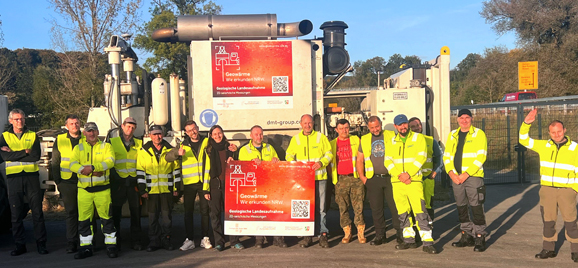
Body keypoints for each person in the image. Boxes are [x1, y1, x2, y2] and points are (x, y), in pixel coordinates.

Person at [520, 108, 578, 262]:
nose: (556, 135)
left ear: (565, 130)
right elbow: (523, 140)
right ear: (549, 133)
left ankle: (576, 250)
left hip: (567, 191)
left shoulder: (575, 148)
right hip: (547, 191)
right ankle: (548, 249)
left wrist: (574, 190)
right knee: (548, 221)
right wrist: (526, 124)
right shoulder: (543, 145)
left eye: (559, 131)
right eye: (553, 132)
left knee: (571, 222)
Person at [384, 114, 436, 254]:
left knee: (420, 212)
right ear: (395, 126)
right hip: (398, 182)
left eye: (405, 123)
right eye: (400, 124)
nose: (403, 126)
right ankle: (409, 240)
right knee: (403, 213)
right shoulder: (391, 141)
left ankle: (427, 242)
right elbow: (387, 161)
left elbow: (422, 156)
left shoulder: (418, 138)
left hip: (414, 181)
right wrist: (399, 175)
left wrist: (408, 174)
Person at [0, 109, 48, 256]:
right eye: (16, 119)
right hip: (13, 179)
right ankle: (20, 245)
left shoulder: (32, 135)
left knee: (37, 213)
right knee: (15, 214)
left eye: (21, 118)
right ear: (10, 121)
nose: (19, 121)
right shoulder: (4, 137)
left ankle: (41, 244)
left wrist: (14, 154)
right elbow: (4, 156)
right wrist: (24, 152)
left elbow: (35, 156)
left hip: (31, 177)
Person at [69, 122, 117, 259]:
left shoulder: (106, 146)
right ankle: (86, 248)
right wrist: (88, 172)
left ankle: (111, 246)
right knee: (84, 221)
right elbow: (72, 164)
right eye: (89, 131)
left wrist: (93, 167)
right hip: (84, 190)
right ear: (84, 133)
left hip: (103, 190)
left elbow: (110, 161)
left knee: (107, 219)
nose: (92, 133)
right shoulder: (78, 148)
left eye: (94, 131)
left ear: (97, 132)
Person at [286, 114, 333, 248]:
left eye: (310, 123)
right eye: (305, 123)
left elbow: (329, 153)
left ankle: (322, 235)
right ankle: (307, 235)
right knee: (305, 208)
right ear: (300, 124)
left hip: (320, 178)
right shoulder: (295, 139)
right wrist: (295, 164)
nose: (307, 125)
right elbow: (289, 154)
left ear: (313, 124)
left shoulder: (321, 137)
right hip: (304, 181)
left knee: (321, 209)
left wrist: (322, 162)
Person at [444, 109, 488, 252]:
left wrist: (466, 174)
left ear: (471, 118)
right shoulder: (452, 135)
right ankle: (466, 235)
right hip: (456, 178)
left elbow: (481, 157)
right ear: (457, 120)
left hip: (473, 177)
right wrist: (451, 173)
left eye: (467, 117)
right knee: (461, 207)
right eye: (461, 118)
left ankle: (480, 235)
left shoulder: (478, 134)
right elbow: (447, 157)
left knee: (476, 207)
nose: (464, 120)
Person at [165, 120, 212, 251]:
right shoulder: (183, 145)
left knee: (205, 211)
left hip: (204, 182)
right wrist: (176, 154)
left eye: (194, 129)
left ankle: (205, 238)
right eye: (190, 130)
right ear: (186, 132)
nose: (193, 132)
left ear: (197, 128)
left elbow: (219, 146)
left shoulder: (206, 141)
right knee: (188, 213)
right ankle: (189, 239)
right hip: (189, 183)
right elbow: (168, 157)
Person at [238, 125, 286, 248]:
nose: (259, 137)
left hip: (270, 185)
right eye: (256, 134)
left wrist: (276, 160)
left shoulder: (270, 147)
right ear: (251, 136)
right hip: (254, 186)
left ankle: (277, 239)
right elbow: (241, 167)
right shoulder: (244, 150)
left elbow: (278, 163)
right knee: (258, 212)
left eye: (260, 134)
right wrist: (251, 162)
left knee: (275, 211)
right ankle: (259, 239)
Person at [356, 116, 401, 246]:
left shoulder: (391, 134)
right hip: (373, 179)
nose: (375, 130)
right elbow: (359, 160)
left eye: (377, 126)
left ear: (380, 124)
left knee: (395, 208)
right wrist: (362, 177)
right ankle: (380, 235)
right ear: (368, 128)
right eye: (372, 128)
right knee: (376, 209)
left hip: (391, 178)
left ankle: (400, 234)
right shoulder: (364, 139)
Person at [137, 125, 180, 252]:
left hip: (166, 190)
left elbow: (176, 170)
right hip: (151, 192)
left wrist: (176, 187)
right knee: (152, 219)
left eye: (159, 134)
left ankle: (166, 240)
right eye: (154, 134)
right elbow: (140, 172)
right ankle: (154, 241)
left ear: (163, 135)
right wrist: (142, 190)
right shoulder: (143, 151)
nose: (157, 136)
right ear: (150, 135)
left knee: (167, 218)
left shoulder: (170, 150)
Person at [203, 125, 243, 251]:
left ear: (223, 133)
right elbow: (205, 171)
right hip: (214, 186)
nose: (217, 136)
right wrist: (206, 189)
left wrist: (235, 153)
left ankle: (234, 241)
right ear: (211, 136)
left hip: (229, 185)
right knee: (215, 215)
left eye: (219, 133)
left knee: (230, 214)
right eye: (214, 134)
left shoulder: (230, 147)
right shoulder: (208, 150)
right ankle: (219, 242)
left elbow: (239, 164)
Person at [51, 114, 85, 254]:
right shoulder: (60, 140)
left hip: (84, 181)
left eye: (77, 123)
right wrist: (58, 181)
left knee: (86, 213)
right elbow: (55, 162)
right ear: (66, 126)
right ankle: (72, 242)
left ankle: (87, 241)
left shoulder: (86, 139)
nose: (74, 126)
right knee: (71, 212)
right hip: (67, 182)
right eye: (71, 123)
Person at [109, 117, 143, 251]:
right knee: (116, 213)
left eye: (133, 127)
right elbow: (109, 161)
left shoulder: (139, 143)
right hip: (119, 183)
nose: (130, 129)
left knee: (136, 213)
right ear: (122, 127)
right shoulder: (112, 142)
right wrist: (116, 177)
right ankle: (115, 240)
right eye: (128, 126)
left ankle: (136, 240)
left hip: (133, 183)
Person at [329, 119, 366, 244]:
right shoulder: (332, 144)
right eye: (341, 128)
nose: (344, 131)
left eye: (346, 128)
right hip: (340, 179)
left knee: (359, 207)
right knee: (342, 207)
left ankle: (361, 233)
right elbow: (329, 163)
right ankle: (347, 232)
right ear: (336, 130)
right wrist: (334, 178)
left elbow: (363, 157)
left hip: (355, 178)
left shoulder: (356, 140)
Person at [408, 117, 443, 220]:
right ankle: (415, 232)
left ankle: (428, 231)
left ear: (421, 126)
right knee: (413, 207)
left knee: (427, 207)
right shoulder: (407, 142)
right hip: (412, 180)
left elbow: (439, 157)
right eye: (412, 127)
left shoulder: (431, 141)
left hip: (427, 180)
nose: (416, 128)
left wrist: (435, 172)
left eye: (417, 125)